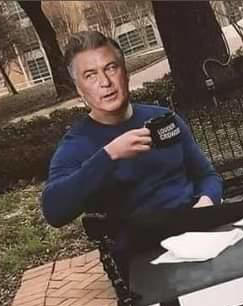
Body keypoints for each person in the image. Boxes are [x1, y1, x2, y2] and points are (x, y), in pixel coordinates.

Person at [41, 31, 222, 235]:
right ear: (79, 89)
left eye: (111, 68)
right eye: (90, 75)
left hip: (197, 230)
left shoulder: (163, 119)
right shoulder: (76, 145)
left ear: (125, 73)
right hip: (141, 246)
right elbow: (54, 212)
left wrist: (206, 203)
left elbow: (207, 176)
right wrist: (109, 155)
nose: (105, 82)